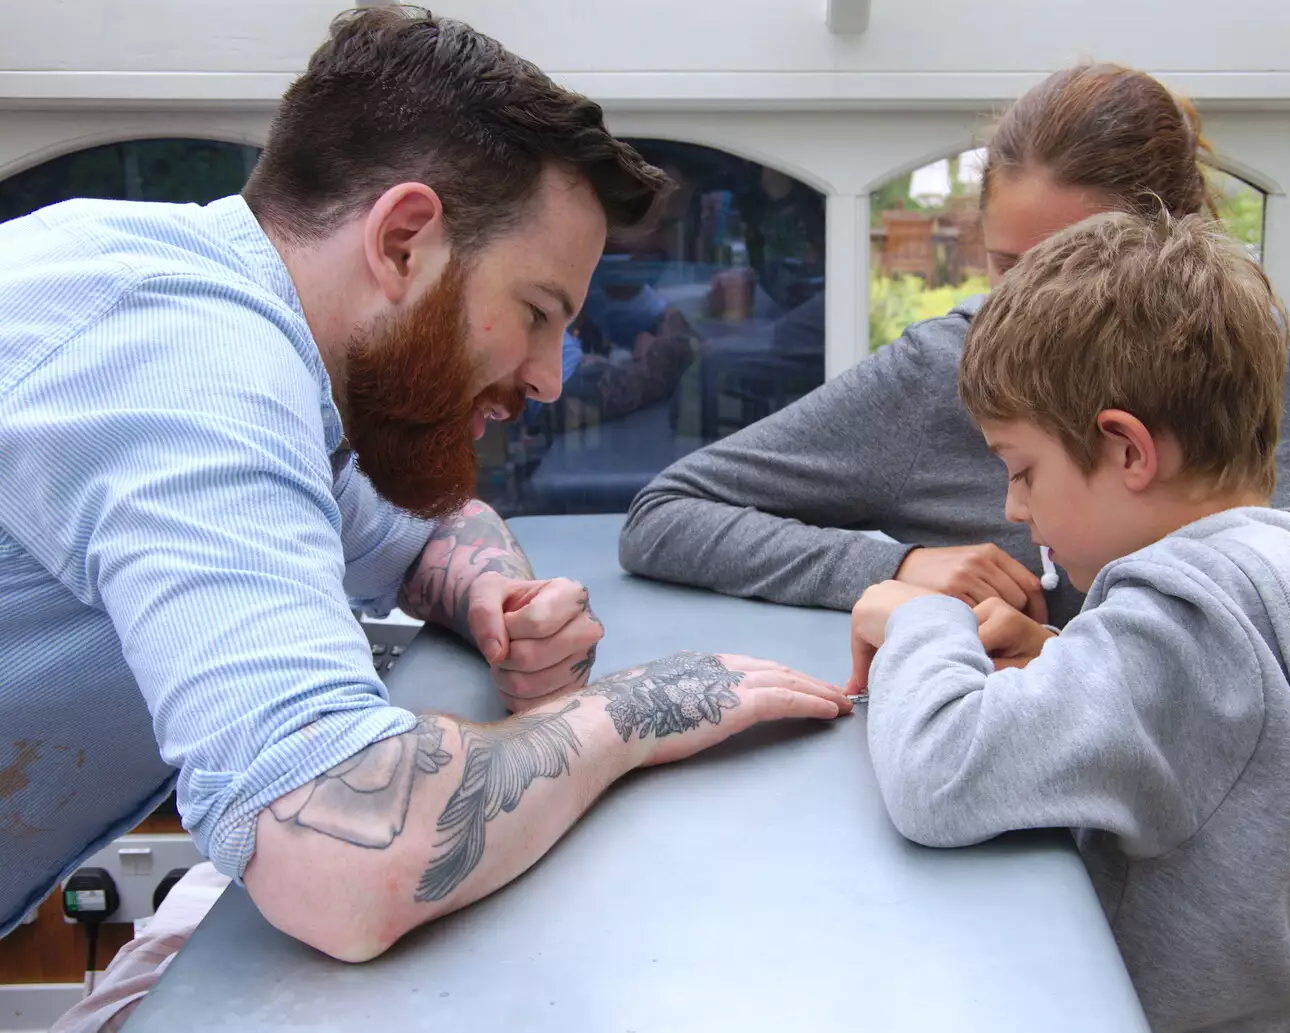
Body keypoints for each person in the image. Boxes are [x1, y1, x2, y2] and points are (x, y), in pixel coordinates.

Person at [0, 6, 849, 965]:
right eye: (535, 312)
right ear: (404, 241)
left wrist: (495, 595)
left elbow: (423, 525)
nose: (550, 378)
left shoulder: (259, 355)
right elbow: (341, 850)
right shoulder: (183, 354)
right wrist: (630, 712)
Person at [618, 62, 1290, 956]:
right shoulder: (950, 370)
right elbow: (667, 512)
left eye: (1071, 266)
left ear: (1173, 249)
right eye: (1009, 266)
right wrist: (896, 565)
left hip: (1258, 920)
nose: (1028, 305)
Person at [850, 211, 1290, 1033]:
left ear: (1128, 449)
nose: (1014, 507)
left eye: (1023, 470)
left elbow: (939, 775)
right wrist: (1061, 653)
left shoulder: (1184, 627)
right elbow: (1211, 747)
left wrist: (922, 619)